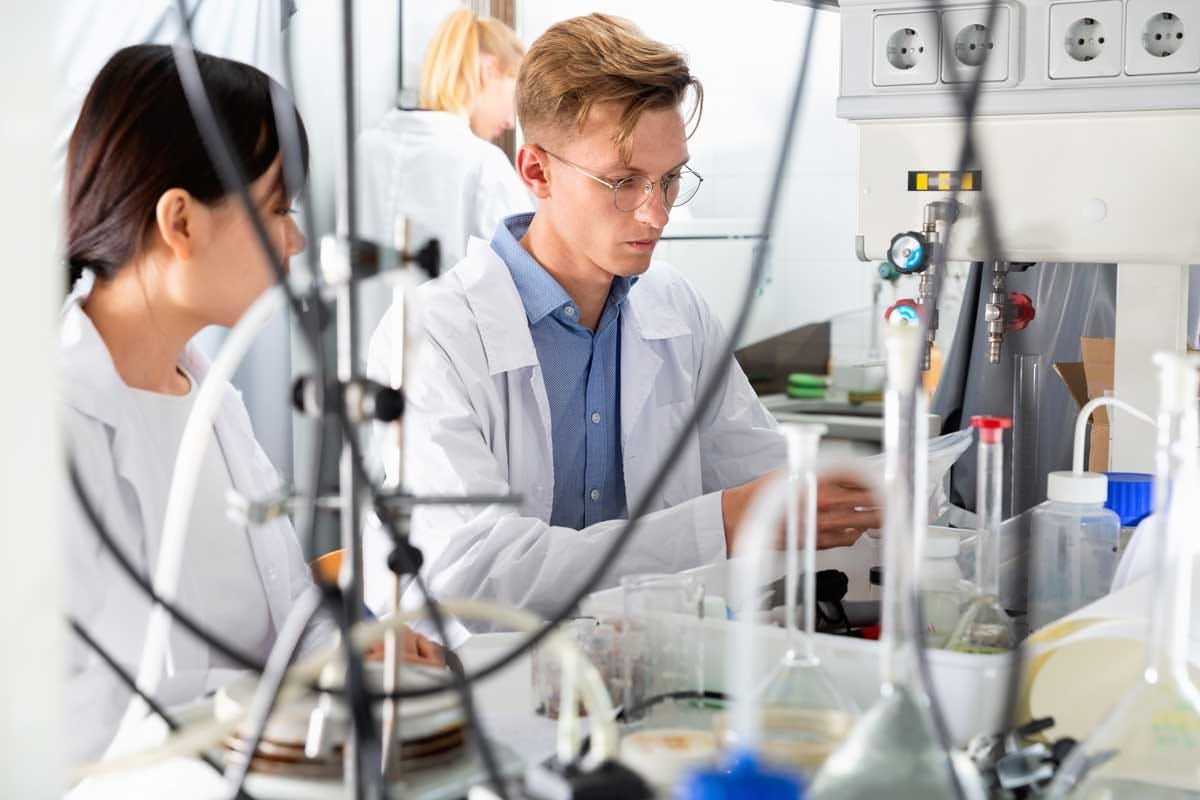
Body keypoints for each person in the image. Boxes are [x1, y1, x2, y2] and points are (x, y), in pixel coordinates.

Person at [362, 14, 882, 622]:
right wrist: (719, 523)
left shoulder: (675, 309)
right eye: (623, 182)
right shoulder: (431, 336)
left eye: (669, 180)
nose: (656, 214)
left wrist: (865, 500)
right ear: (536, 172)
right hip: (486, 683)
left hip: (657, 669)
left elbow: (761, 469)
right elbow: (475, 572)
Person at [62, 44, 439, 765]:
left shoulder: (212, 398)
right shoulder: (57, 430)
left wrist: (356, 651)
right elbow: (62, 737)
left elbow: (286, 620)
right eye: (276, 209)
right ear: (181, 222)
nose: (296, 240)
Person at [357, 8, 531, 263]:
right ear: (489, 70)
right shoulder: (484, 165)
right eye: (515, 94)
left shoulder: (364, 149)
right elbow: (528, 276)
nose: (509, 121)